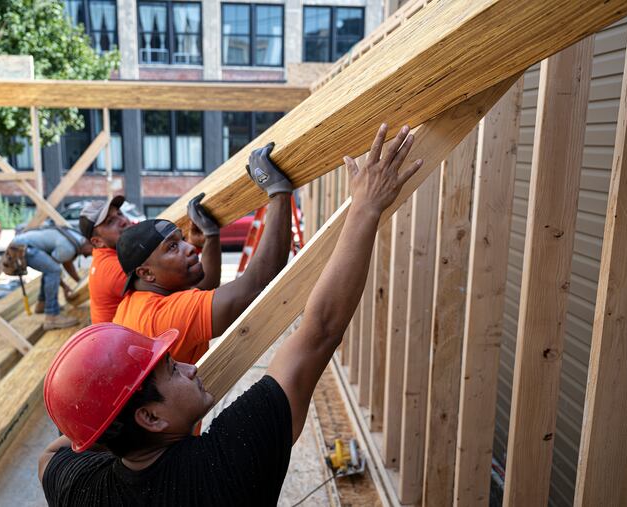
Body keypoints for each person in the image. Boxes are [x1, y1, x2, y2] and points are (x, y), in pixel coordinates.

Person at [39, 123, 422, 505]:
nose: (192, 367)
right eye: (172, 369)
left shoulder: (82, 490)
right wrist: (365, 206)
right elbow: (317, 330)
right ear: (150, 419)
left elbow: (47, 459)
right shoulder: (225, 465)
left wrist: (101, 429)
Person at [111, 143, 292, 364]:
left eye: (182, 240)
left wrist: (211, 236)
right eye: (172, 247)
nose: (189, 247)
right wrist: (277, 192)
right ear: (146, 273)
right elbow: (255, 286)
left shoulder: (133, 303)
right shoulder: (163, 316)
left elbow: (205, 284)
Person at [80, 195, 222, 324]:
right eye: (110, 222)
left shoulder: (107, 257)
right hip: (117, 345)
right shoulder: (113, 269)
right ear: (97, 242)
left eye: (119, 213)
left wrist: (192, 245)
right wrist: (211, 235)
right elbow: (201, 286)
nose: (123, 221)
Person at [10, 225, 93, 329]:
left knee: (49, 269)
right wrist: (65, 286)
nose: (89, 256)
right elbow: (55, 270)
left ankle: (42, 304)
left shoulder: (77, 238)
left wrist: (79, 282)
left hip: (21, 243)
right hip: (22, 247)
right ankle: (52, 316)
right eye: (91, 251)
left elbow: (66, 263)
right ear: (90, 243)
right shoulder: (69, 247)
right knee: (53, 270)